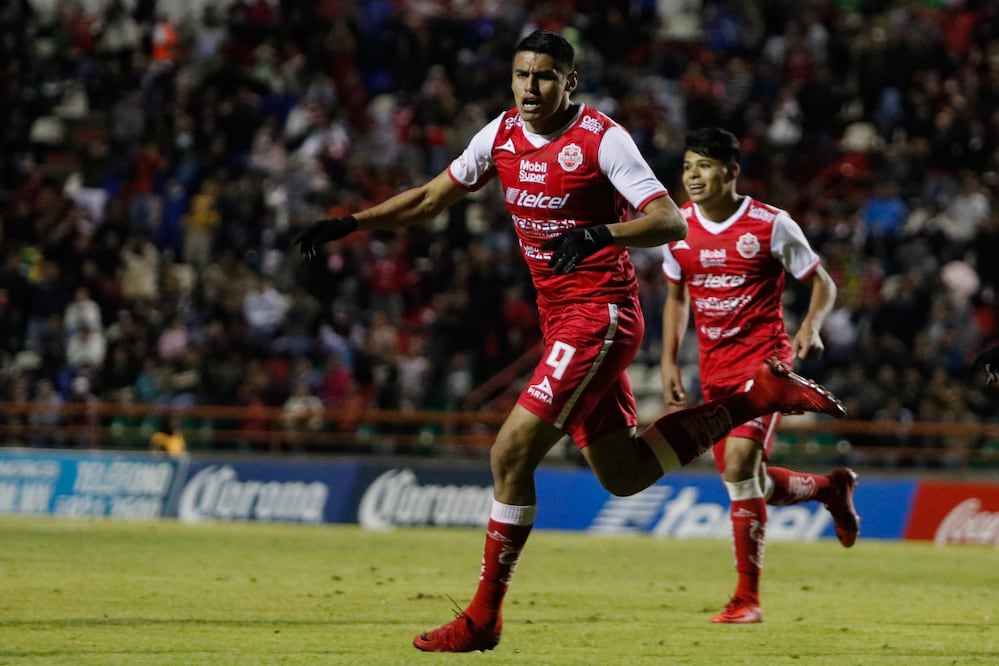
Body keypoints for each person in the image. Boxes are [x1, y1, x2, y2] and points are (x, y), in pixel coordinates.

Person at [292, 31, 845, 653]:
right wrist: (349, 223)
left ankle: (482, 618)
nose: (531, 88)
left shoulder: (601, 138)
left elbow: (667, 219)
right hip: (562, 320)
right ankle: (755, 397)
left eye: (545, 77)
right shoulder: (498, 135)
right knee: (624, 474)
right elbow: (428, 199)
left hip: (600, 315)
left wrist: (599, 233)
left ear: (569, 82)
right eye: (522, 75)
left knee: (508, 457)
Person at [659, 127, 860, 624]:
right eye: (687, 167)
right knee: (749, 483)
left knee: (737, 470)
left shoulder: (771, 224)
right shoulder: (677, 228)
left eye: (703, 166)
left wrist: (810, 324)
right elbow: (677, 297)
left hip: (765, 366)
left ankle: (747, 599)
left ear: (730, 171)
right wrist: (667, 360)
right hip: (715, 373)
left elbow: (822, 282)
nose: (692, 176)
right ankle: (830, 490)